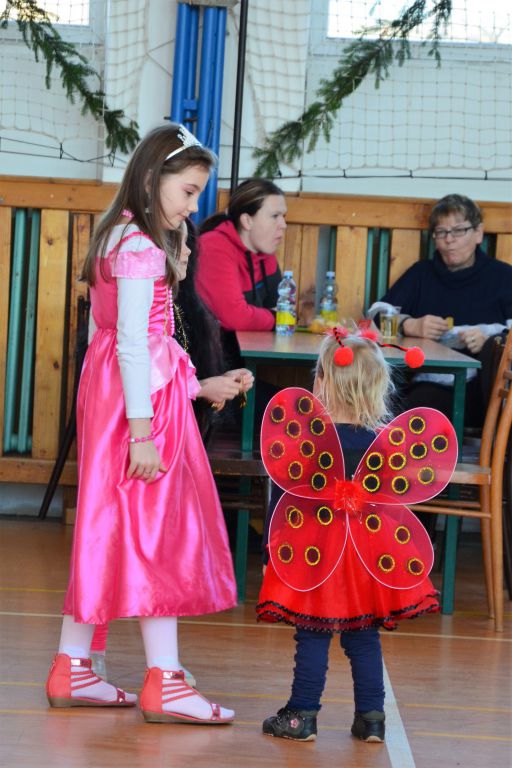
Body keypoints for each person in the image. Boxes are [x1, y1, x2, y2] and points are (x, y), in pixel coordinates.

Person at [45, 123, 238, 725]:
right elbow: (135, 342)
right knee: (161, 532)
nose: (193, 206)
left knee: (107, 526)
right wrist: (144, 432)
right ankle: (167, 680)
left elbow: (127, 340)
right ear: (153, 179)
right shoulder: (141, 246)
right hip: (140, 407)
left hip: (118, 395)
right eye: (188, 191)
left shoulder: (118, 233)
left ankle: (73, 665)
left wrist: (195, 386)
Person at [257, 331, 447, 743]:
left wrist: (271, 549)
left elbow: (286, 498)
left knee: (312, 630)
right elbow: (393, 503)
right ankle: (371, 718)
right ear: (377, 387)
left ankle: (302, 715)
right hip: (369, 552)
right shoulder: (382, 442)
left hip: (315, 551)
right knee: (364, 634)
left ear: (322, 382)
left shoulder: (310, 441)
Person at [88, 222, 254, 684]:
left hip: (159, 421)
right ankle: (144, 665)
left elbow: (169, 368)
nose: (184, 251)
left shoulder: (181, 306)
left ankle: (95, 657)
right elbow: (143, 362)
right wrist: (198, 390)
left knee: (120, 533)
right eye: (176, 242)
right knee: (131, 535)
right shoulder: (147, 297)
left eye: (187, 244)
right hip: (143, 425)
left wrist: (211, 386)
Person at [378, 194, 512, 427]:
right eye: (441, 232)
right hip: (430, 384)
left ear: (478, 233)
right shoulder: (421, 274)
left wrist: (491, 338)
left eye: (459, 230)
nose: (449, 240)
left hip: (487, 392)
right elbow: (377, 313)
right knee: (416, 406)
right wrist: (410, 324)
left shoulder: (503, 276)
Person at [196, 178, 287, 370]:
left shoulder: (265, 253)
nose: (283, 224)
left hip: (242, 366)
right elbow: (235, 316)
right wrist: (276, 318)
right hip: (206, 370)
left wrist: (278, 316)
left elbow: (283, 308)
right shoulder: (214, 246)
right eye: (275, 216)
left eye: (283, 216)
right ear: (247, 221)